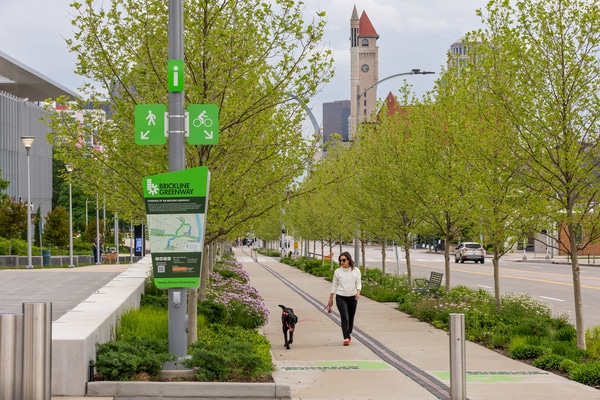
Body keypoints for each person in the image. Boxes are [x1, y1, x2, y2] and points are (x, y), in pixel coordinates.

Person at [326, 251, 362, 346]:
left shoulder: (356, 271)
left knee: (351, 317)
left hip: (352, 297)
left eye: (344, 260)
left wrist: (358, 292)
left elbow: (358, 282)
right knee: (344, 316)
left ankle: (348, 333)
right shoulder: (337, 272)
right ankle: (346, 337)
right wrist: (331, 299)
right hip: (341, 297)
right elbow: (334, 285)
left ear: (349, 260)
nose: (342, 262)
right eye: (340, 260)